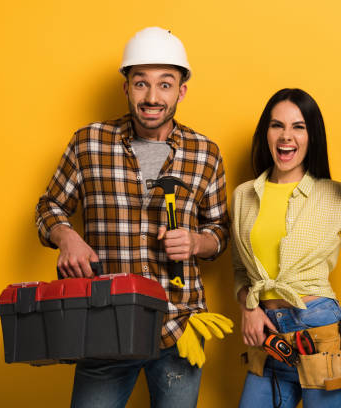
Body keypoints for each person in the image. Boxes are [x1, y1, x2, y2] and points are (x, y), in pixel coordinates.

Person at [35, 27, 231, 408]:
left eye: (165, 84)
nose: (152, 97)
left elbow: (219, 231)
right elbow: (49, 207)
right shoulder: (88, 142)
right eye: (141, 83)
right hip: (104, 324)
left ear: (181, 91)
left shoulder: (205, 153)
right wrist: (67, 237)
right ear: (126, 87)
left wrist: (196, 241)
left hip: (179, 327)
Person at [231, 88, 341, 408]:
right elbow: (242, 270)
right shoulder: (243, 195)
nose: (286, 136)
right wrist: (249, 307)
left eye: (299, 127)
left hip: (320, 335)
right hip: (268, 342)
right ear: (265, 133)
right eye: (276, 125)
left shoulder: (333, 195)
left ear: (312, 136)